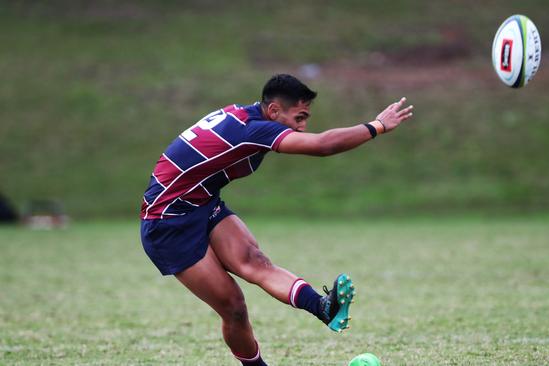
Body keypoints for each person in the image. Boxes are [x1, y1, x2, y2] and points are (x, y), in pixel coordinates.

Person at [139, 74, 414, 366]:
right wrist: (377, 126)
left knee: (256, 262)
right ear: (273, 111)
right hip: (167, 221)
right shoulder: (253, 129)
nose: (303, 126)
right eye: (300, 116)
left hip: (202, 203)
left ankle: (324, 308)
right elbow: (322, 145)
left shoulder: (242, 115)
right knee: (233, 307)